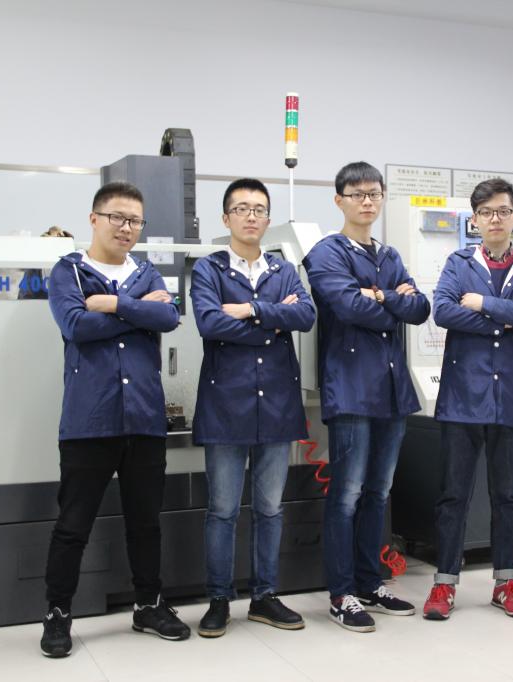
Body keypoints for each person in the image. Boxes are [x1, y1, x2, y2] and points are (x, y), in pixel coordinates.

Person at [39, 181, 190, 658]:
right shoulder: (68, 271)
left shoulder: (145, 271)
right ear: (94, 219)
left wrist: (114, 304)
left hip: (144, 417)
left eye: (135, 221)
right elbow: (75, 325)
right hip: (90, 419)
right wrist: (141, 311)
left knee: (145, 522)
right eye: (117, 218)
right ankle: (58, 614)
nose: (126, 228)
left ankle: (148, 605)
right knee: (73, 525)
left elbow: (169, 319)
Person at [302, 161, 430, 633]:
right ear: (339, 200)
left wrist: (381, 297)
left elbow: (420, 308)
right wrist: (388, 299)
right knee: (347, 494)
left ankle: (370, 581)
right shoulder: (325, 253)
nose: (367, 201)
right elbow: (348, 306)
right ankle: (342, 593)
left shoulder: (389, 254)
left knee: (379, 492)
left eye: (374, 193)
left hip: (392, 391)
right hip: (351, 389)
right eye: (357, 194)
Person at [422, 178, 513, 620]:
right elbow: (443, 310)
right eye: (485, 212)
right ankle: (444, 583)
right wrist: (512, 317)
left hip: (512, 398)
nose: (494, 219)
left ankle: (505, 582)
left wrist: (483, 304)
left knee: (508, 496)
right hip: (463, 398)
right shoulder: (458, 263)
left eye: (502, 211)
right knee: (453, 495)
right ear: (474, 220)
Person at [190, 178, 315, 637]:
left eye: (259, 209)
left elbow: (305, 315)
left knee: (270, 508)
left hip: (278, 404)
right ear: (226, 218)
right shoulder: (209, 269)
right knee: (222, 509)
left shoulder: (284, 269)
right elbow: (209, 322)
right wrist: (273, 318)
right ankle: (219, 599)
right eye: (241, 208)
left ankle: (264, 596)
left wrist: (248, 310)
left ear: (268, 219)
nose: (251, 216)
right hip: (226, 405)